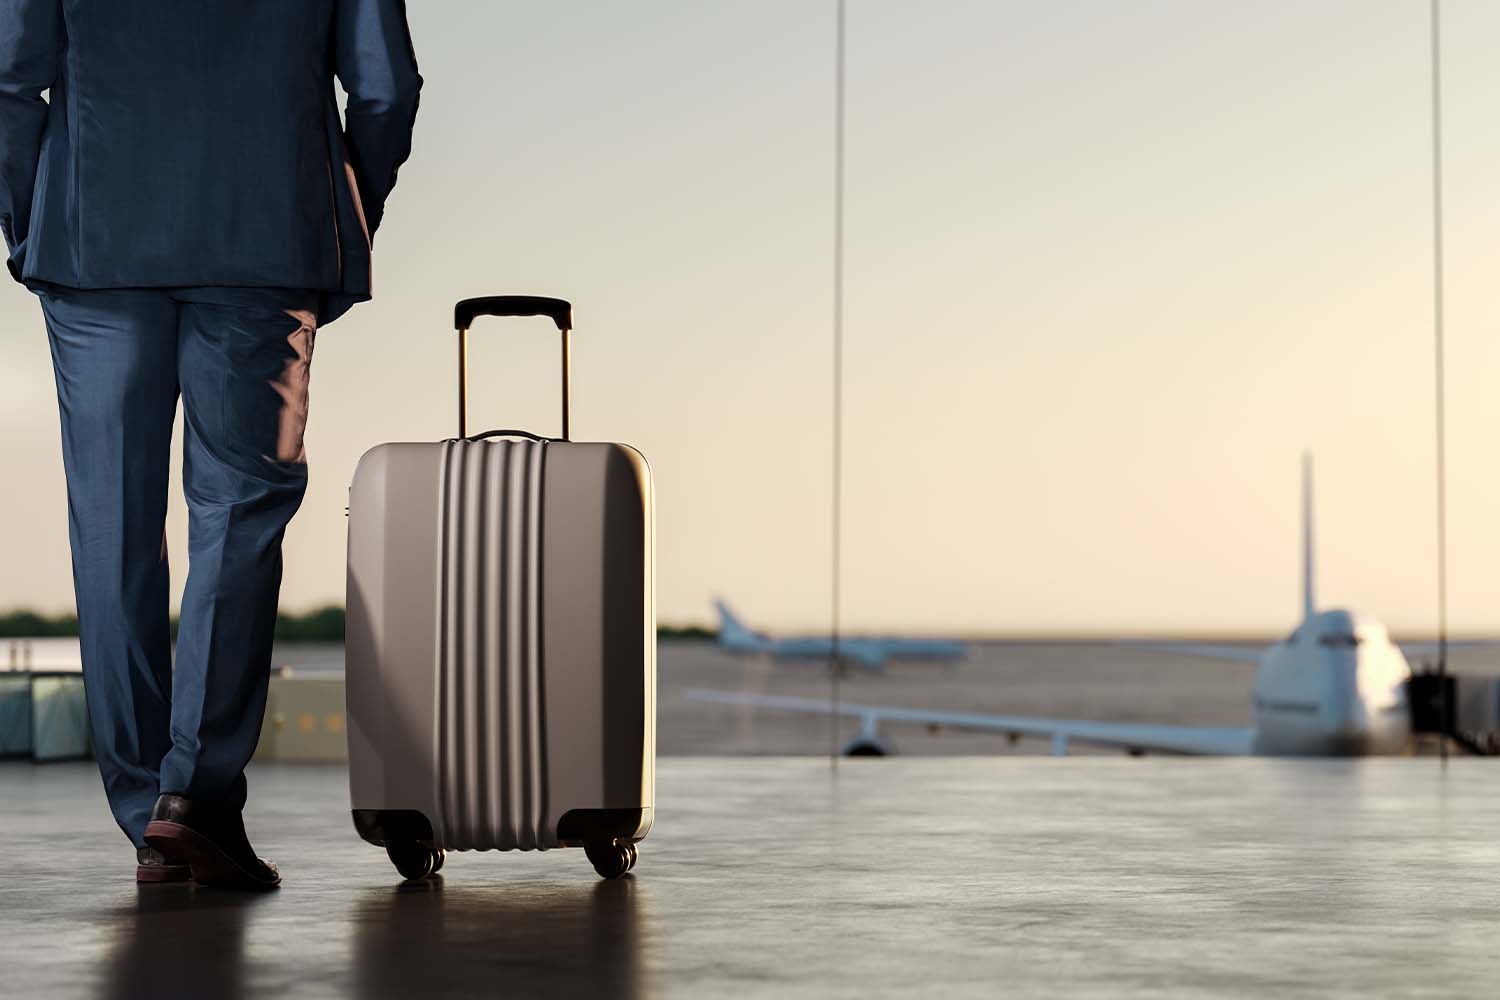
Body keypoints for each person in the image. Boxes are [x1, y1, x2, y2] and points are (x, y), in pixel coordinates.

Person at [0, 1, 421, 888]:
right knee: (238, 515)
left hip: (93, 243)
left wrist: (29, 218)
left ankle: (145, 808)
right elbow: (384, 91)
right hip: (266, 242)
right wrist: (342, 211)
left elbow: (9, 73)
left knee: (112, 528)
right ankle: (193, 799)